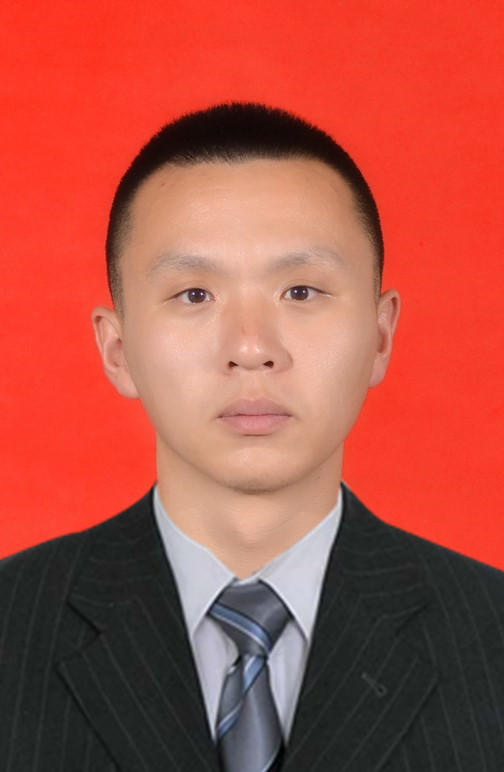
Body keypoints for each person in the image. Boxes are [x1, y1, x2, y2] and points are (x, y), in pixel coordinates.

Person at [1, 103, 503, 772]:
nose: (250, 347)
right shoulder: (13, 626)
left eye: (301, 291)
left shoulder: (490, 634)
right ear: (116, 349)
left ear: (380, 335)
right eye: (194, 295)